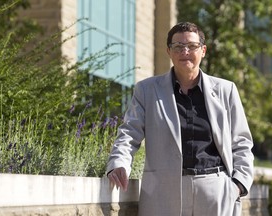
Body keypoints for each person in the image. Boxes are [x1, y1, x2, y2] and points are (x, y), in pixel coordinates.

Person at [106, 21, 254, 216]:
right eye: (178, 46)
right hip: (162, 194)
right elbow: (129, 133)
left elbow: (241, 142)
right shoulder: (146, 90)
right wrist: (119, 162)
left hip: (216, 191)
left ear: (203, 50)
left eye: (192, 46)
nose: (185, 51)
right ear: (169, 51)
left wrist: (238, 184)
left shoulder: (226, 90)